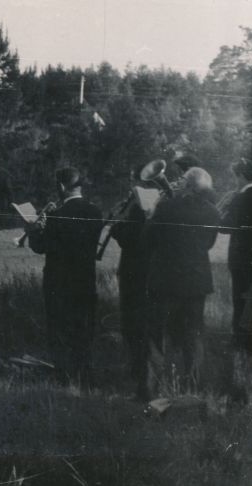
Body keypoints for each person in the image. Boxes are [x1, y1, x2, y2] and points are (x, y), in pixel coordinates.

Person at [143, 167, 220, 396]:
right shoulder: (212, 212)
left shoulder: (166, 206)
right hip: (197, 283)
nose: (177, 182)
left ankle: (156, 390)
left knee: (159, 338)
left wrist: (150, 215)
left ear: (187, 185)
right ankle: (192, 390)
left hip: (166, 282)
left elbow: (146, 241)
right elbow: (207, 244)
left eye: (182, 180)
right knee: (194, 338)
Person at [28, 167, 103, 387]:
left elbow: (41, 247)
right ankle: (84, 374)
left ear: (61, 187)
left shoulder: (56, 215)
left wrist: (34, 229)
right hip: (85, 279)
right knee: (83, 329)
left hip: (58, 282)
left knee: (59, 328)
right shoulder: (95, 211)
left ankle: (64, 375)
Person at [105, 165, 151, 398]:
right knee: (138, 323)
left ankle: (137, 370)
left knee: (133, 323)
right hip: (145, 272)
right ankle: (138, 369)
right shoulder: (150, 202)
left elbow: (130, 238)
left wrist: (116, 227)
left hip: (135, 270)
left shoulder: (141, 206)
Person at [219, 158, 252, 356]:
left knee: (240, 300)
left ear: (242, 176)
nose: (234, 181)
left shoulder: (239, 198)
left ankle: (240, 343)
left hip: (241, 258)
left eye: (235, 176)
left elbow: (225, 227)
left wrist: (224, 207)